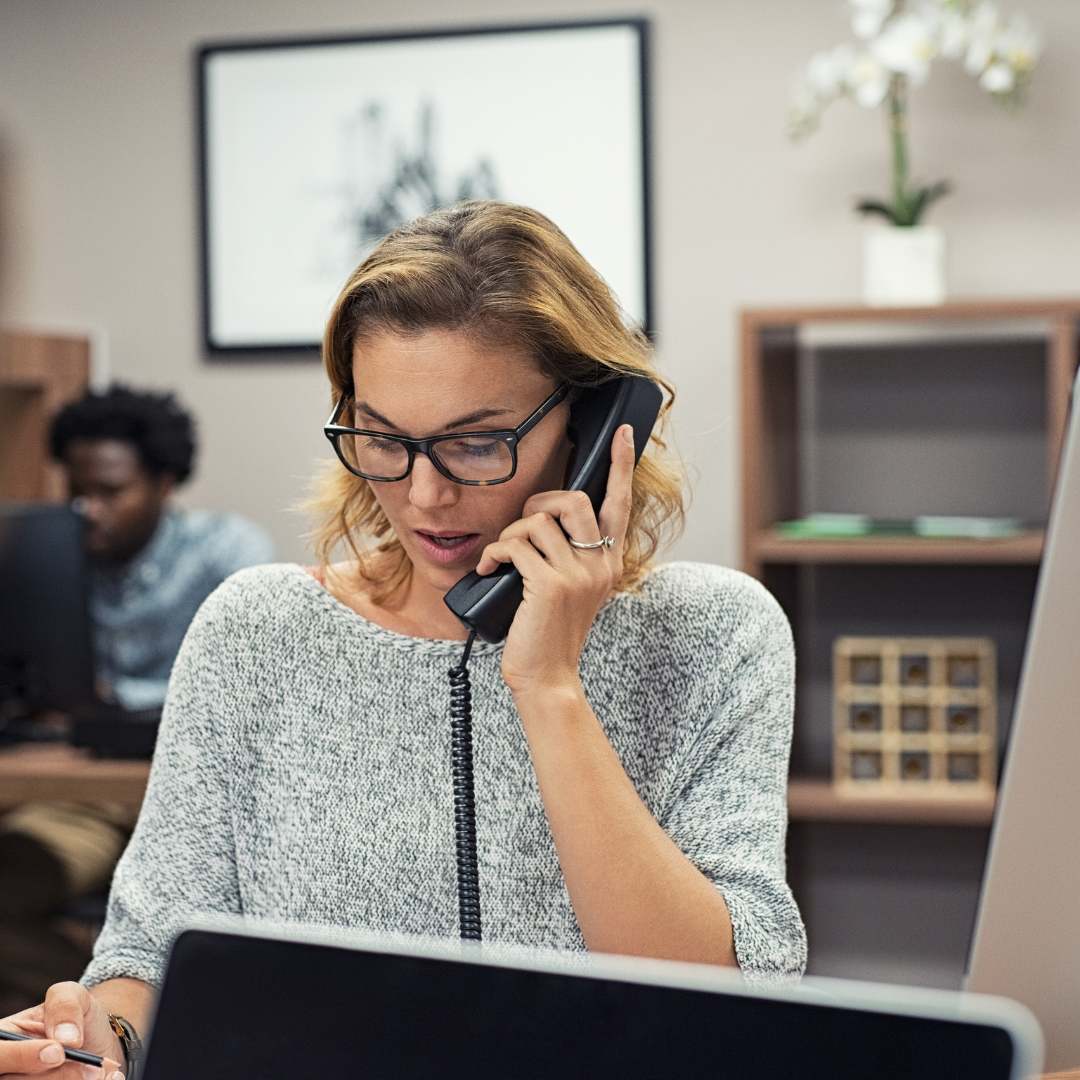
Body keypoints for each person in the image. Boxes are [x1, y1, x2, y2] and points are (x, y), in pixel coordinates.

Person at [0, 201, 805, 1078]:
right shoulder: (258, 631)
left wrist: (547, 686)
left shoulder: (717, 634)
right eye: (381, 439)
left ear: (596, 425)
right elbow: (146, 961)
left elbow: (723, 1007)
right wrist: (96, 1041)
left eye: (478, 443)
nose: (423, 496)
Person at [0, 384, 273, 1022]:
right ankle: (93, 1016)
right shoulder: (45, 559)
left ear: (164, 484)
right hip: (84, 799)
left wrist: (112, 700)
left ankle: (151, 1018)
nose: (88, 510)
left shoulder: (228, 555)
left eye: (111, 493)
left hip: (192, 799)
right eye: (77, 492)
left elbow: (239, 685)